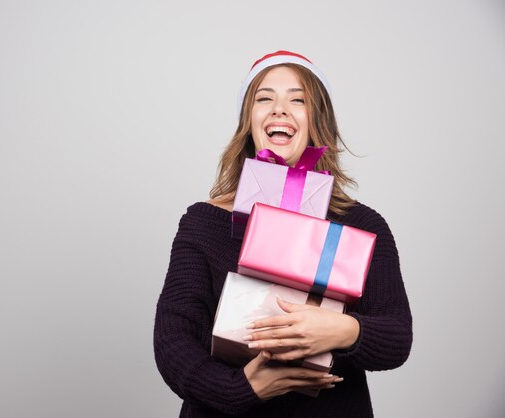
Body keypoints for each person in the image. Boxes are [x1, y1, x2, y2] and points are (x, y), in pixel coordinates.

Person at [153, 50, 412, 417]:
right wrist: (242, 388)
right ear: (249, 120)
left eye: (297, 99)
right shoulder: (203, 221)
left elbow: (397, 338)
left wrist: (341, 330)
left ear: (316, 119)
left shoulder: (362, 225)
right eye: (264, 98)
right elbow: (172, 340)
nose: (279, 109)